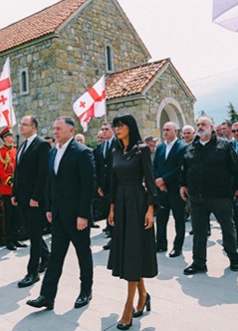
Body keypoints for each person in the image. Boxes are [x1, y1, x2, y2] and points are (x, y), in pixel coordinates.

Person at [27, 117, 95, 310]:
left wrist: (83, 215)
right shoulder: (53, 152)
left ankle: (85, 291)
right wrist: (49, 207)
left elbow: (88, 186)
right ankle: (46, 296)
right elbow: (51, 183)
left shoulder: (83, 153)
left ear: (71, 131)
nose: (55, 131)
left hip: (76, 217)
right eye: (54, 128)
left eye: (59, 128)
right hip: (57, 215)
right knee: (56, 256)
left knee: (83, 254)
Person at [107, 113, 157, 330]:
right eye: (115, 126)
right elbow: (113, 182)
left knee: (133, 251)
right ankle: (143, 295)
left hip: (137, 203)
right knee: (129, 253)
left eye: (121, 126)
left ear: (130, 127)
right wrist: (111, 208)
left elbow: (150, 180)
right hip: (120, 202)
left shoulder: (142, 149)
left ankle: (128, 307)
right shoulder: (115, 151)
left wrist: (150, 209)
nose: (117, 129)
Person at [180, 116, 238, 275]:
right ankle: (199, 263)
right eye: (198, 125)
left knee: (227, 228)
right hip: (197, 198)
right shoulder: (190, 148)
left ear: (211, 126)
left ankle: (233, 258)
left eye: (203, 124)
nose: (200, 127)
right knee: (199, 231)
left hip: (220, 197)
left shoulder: (224, 146)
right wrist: (182, 185)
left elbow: (237, 169)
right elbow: (185, 170)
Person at [12, 115, 51, 288]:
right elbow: (18, 173)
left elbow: (43, 174)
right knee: (31, 232)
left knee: (34, 236)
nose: (21, 127)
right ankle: (46, 256)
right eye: (20, 124)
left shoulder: (41, 145)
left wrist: (36, 197)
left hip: (34, 200)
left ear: (34, 127)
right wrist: (14, 193)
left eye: (25, 124)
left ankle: (32, 272)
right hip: (21, 198)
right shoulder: (22, 145)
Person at [153, 122, 186, 257]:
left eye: (168, 129)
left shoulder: (182, 147)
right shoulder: (160, 147)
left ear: (175, 131)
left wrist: (164, 179)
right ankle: (160, 243)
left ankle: (177, 247)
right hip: (161, 189)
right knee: (161, 218)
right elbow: (154, 165)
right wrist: (158, 181)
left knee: (179, 218)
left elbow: (180, 168)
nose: (165, 132)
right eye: (164, 129)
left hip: (175, 189)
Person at [0, 127, 25, 251]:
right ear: (5, 138)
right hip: (7, 188)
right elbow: (1, 171)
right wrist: (11, 182)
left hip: (18, 188)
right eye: (10, 136)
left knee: (17, 215)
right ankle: (9, 240)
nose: (12, 138)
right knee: (8, 215)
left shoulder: (16, 150)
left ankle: (16, 238)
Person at [95, 122, 115, 250]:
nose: (104, 132)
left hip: (116, 184)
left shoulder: (118, 145)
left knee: (116, 211)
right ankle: (112, 236)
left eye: (106, 129)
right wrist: (98, 185)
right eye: (102, 129)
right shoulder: (100, 147)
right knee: (108, 210)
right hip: (105, 186)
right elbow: (97, 168)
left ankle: (117, 238)